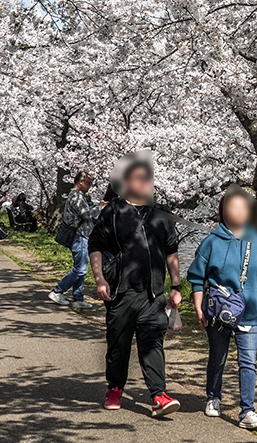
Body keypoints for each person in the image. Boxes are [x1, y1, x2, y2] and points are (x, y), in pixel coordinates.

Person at [89, 154, 182, 417]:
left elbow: (171, 252)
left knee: (153, 341)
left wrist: (176, 286)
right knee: (118, 343)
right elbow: (95, 245)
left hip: (153, 293)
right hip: (121, 290)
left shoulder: (161, 214)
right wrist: (99, 279)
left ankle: (158, 395)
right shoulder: (113, 211)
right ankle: (115, 387)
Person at [187, 185, 257, 430]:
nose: (236, 211)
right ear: (222, 210)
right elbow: (197, 277)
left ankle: (248, 411)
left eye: (241, 206)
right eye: (231, 206)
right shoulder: (211, 242)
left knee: (248, 362)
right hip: (218, 313)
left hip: (249, 313)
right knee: (218, 358)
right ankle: (213, 397)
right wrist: (198, 307)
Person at [49, 171, 99, 310]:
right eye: (88, 183)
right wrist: (101, 207)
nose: (90, 186)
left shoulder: (80, 196)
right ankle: (58, 291)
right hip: (79, 235)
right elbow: (86, 214)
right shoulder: (76, 196)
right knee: (81, 268)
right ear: (81, 182)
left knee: (81, 267)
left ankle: (78, 298)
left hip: (83, 235)